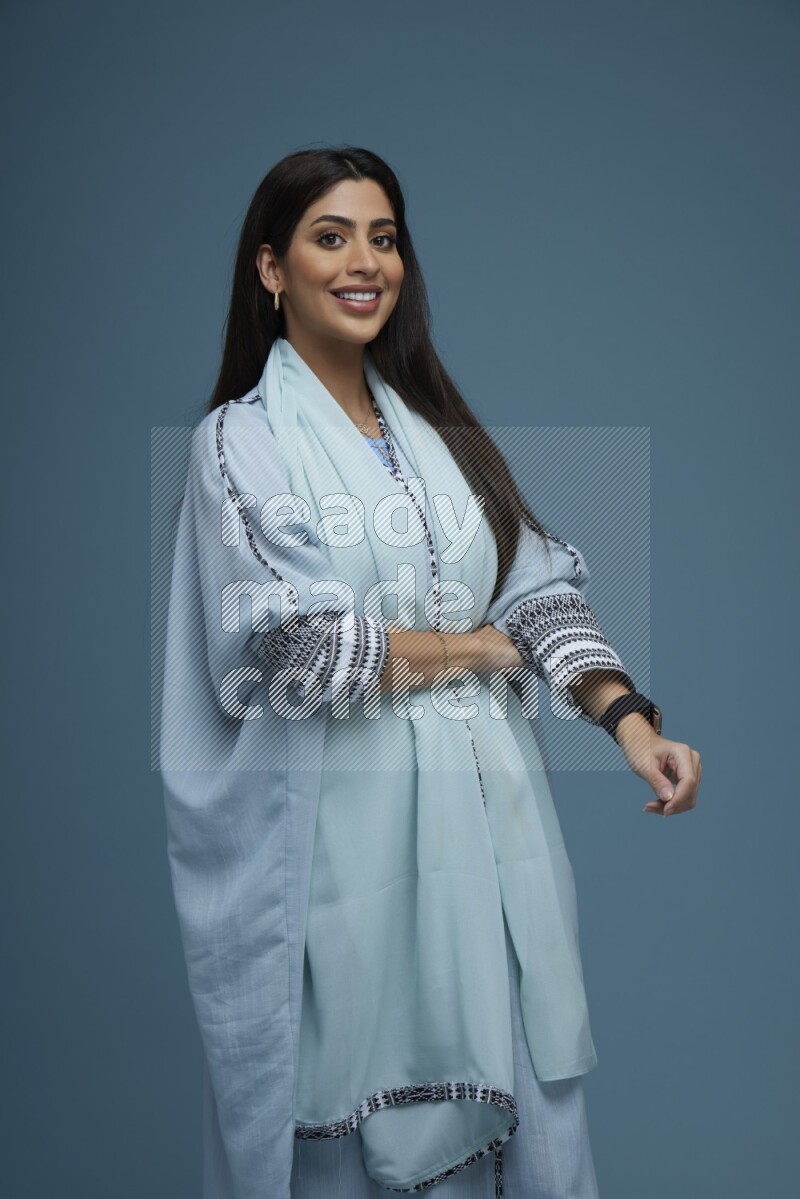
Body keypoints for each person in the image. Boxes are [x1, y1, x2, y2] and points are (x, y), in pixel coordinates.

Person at [159, 146, 702, 1199]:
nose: (365, 261)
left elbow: (537, 591)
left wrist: (633, 724)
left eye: (384, 236)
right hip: (343, 869)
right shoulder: (240, 443)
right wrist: (482, 648)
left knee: (526, 1118)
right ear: (269, 269)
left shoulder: (432, 437)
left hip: (493, 855)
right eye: (330, 236)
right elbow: (306, 649)